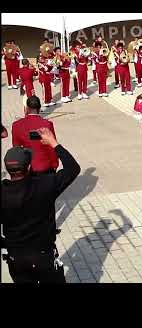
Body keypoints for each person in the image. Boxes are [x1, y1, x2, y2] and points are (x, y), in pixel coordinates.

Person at [1, 127, 81, 283]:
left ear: (8, 169)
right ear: (29, 167)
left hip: (16, 257)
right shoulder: (45, 185)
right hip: (43, 255)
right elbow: (73, 168)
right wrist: (54, 143)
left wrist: (5, 243)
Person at [12, 96, 59, 175]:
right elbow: (52, 147)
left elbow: (16, 148)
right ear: (39, 108)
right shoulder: (47, 124)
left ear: (27, 108)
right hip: (45, 166)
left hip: (27, 167)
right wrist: (55, 164)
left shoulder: (16, 125)